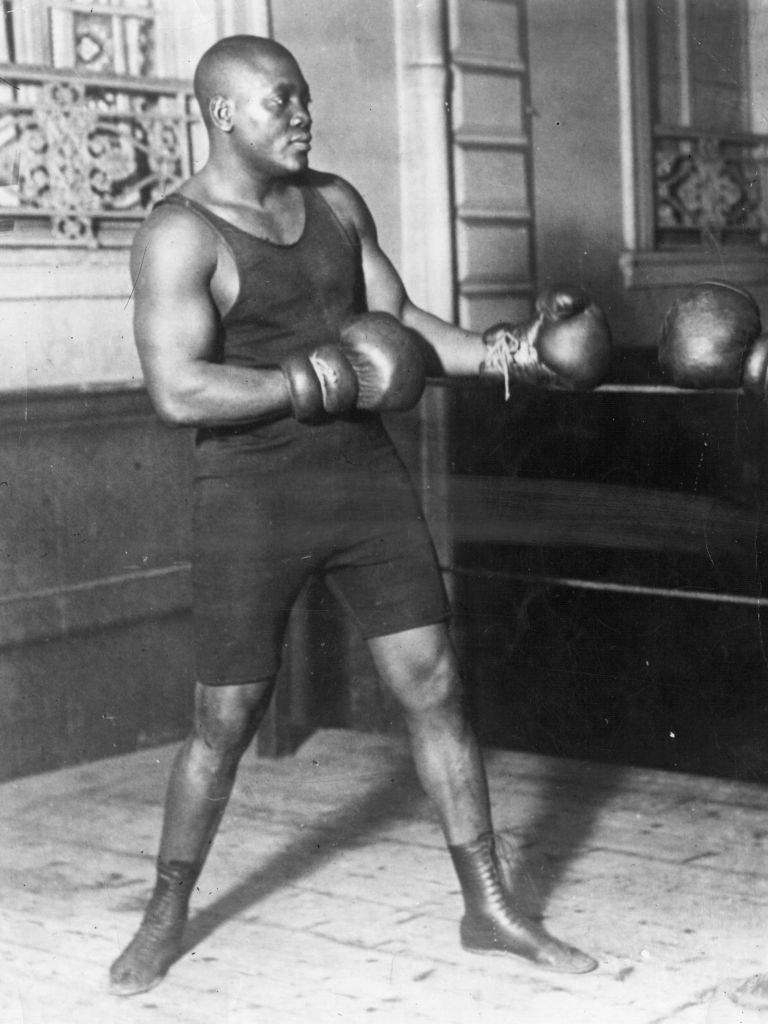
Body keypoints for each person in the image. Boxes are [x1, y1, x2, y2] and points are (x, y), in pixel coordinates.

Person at [109, 34, 610, 997]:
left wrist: (519, 353)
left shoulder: (337, 203)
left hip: (363, 485)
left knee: (434, 682)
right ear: (222, 114)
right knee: (226, 717)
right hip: (252, 495)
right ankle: (164, 913)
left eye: (304, 99)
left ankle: (490, 907)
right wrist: (308, 379)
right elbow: (177, 390)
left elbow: (404, 325)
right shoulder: (181, 234)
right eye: (280, 101)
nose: (303, 116)